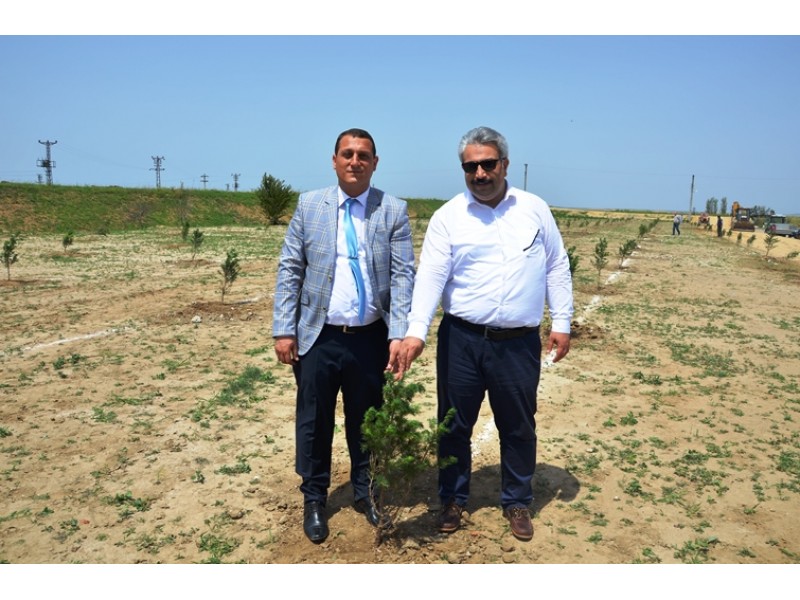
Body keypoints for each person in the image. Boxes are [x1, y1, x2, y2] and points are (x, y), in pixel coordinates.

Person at [397, 126, 573, 542]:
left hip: (518, 344)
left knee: (518, 425)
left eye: (488, 164)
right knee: (453, 424)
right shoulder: (448, 217)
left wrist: (562, 321)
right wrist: (416, 332)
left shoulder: (534, 209)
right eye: (470, 166)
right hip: (462, 340)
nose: (479, 173)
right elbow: (431, 276)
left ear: (504, 165)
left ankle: (517, 501)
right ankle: (452, 498)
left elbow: (556, 265)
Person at [272, 128, 415, 543]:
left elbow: (403, 275)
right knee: (314, 421)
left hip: (370, 338)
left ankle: (365, 492)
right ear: (334, 160)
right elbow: (290, 268)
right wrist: (284, 329)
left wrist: (399, 333)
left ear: (375, 163)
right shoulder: (309, 205)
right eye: (347, 154)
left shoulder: (392, 210)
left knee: (365, 421)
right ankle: (314, 497)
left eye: (363, 155)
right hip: (319, 336)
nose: (355, 161)